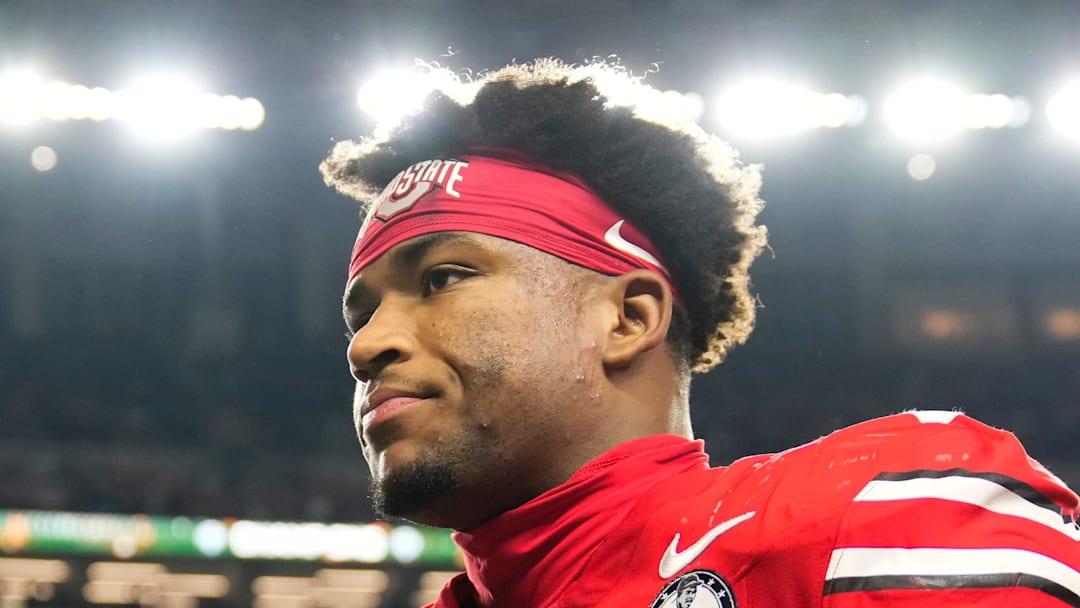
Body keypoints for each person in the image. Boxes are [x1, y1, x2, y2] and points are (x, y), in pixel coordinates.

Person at [321, 59, 1080, 607]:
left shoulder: (869, 523)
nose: (366, 345)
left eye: (443, 279)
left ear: (629, 317)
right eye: (361, 313)